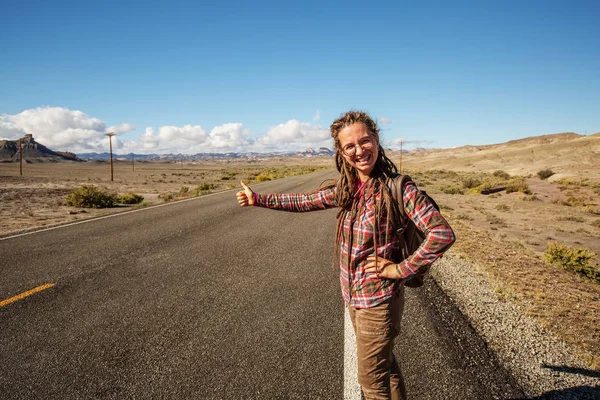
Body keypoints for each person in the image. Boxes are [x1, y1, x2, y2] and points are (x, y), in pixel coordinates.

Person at [236, 110, 455, 400]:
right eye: (349, 146)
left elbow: (441, 234)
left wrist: (401, 270)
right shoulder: (349, 188)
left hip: (378, 300)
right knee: (384, 367)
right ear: (341, 151)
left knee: (371, 381)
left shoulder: (398, 189)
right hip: (354, 297)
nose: (359, 151)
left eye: (365, 141)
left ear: (376, 140)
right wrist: (258, 199)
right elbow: (304, 201)